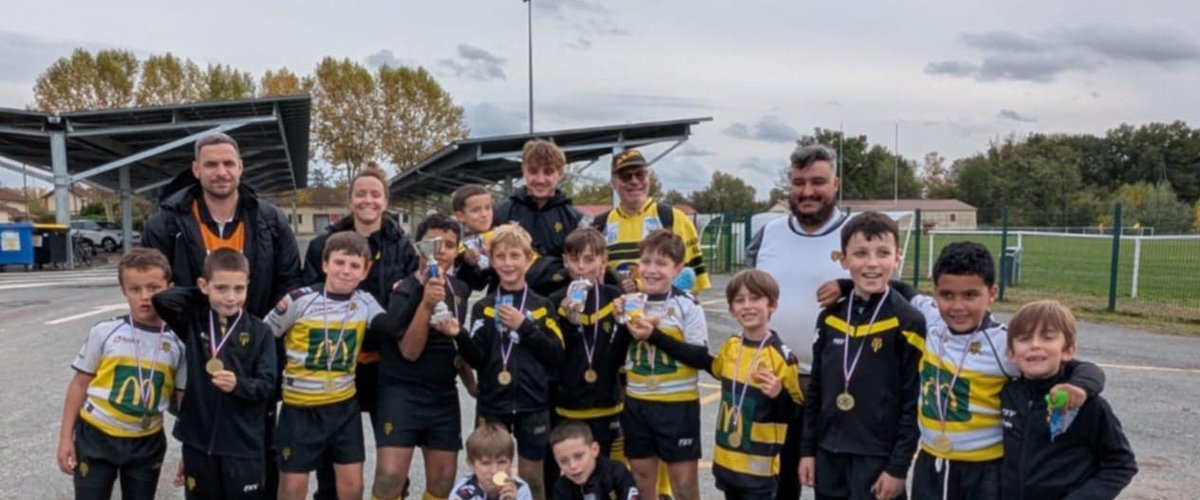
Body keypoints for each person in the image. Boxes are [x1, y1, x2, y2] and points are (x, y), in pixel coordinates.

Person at [817, 241, 1108, 500]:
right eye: (947, 295)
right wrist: (845, 286)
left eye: (970, 295)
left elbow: (1080, 368)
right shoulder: (927, 317)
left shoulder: (1003, 344)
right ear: (935, 294)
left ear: (991, 293)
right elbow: (895, 287)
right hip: (930, 463)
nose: (957, 306)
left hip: (983, 471)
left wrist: (1080, 387)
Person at [143, 132, 301, 496]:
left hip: (256, 344)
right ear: (196, 169)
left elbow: (290, 282)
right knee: (203, 439)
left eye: (228, 163)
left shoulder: (269, 220)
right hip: (197, 345)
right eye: (211, 164)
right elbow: (156, 286)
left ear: (241, 168)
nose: (221, 172)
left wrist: (261, 332)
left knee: (261, 447)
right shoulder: (166, 223)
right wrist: (203, 311)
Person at [301, 164, 420, 500]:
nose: (368, 200)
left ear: (386, 200)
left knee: (392, 454)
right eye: (361, 194)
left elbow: (414, 301)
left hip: (388, 364)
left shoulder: (403, 247)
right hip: (339, 361)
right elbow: (309, 294)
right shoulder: (323, 244)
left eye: (375, 194)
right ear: (351, 199)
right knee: (332, 453)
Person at [632, 268, 802, 499]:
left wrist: (778, 394)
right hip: (728, 465)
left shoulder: (782, 357)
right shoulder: (731, 347)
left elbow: (794, 413)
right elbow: (711, 365)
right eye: (739, 300)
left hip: (758, 469)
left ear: (772, 305)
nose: (747, 306)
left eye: (755, 298)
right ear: (731, 310)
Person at [743, 144, 850, 500]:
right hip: (775, 377)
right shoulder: (769, 233)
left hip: (837, 381)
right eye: (798, 182)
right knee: (778, 481)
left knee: (833, 482)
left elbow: (886, 291)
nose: (807, 192)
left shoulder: (859, 232)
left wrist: (847, 285)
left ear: (836, 183)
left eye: (818, 181)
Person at [798, 212, 925, 500]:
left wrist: (898, 468)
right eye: (860, 253)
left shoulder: (909, 321)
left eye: (883, 253)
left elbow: (912, 402)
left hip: (878, 458)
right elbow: (816, 389)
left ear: (897, 258)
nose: (871, 263)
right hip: (829, 454)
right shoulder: (830, 318)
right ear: (844, 260)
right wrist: (808, 450)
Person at [265, 232, 394, 500]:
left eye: (355, 265)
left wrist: (407, 290)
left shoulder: (365, 302)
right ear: (325, 264)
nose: (346, 271)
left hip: (343, 409)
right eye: (340, 262)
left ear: (365, 271)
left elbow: (389, 328)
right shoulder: (297, 300)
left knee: (352, 487)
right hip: (299, 409)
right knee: (292, 488)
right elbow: (262, 338)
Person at [57, 248, 186, 500]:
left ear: (169, 288)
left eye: (154, 288)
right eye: (135, 289)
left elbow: (184, 404)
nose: (145, 297)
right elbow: (79, 385)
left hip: (146, 442)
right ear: (123, 290)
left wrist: (189, 451)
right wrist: (65, 438)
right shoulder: (104, 331)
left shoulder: (179, 343)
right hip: (96, 437)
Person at [152, 249, 278, 499]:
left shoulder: (260, 331)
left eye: (239, 289)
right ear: (203, 285)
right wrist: (204, 296)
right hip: (199, 443)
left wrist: (239, 386)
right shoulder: (194, 321)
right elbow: (162, 300)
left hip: (242, 445)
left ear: (247, 287)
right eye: (222, 288)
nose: (231, 298)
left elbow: (268, 385)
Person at [454, 224, 564, 500]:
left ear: (528, 260)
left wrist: (524, 326)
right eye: (501, 257)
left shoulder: (542, 306)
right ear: (491, 261)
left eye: (515, 256)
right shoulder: (485, 306)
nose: (508, 263)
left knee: (531, 479)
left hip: (532, 402)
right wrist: (460, 336)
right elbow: (477, 358)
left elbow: (556, 354)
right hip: (493, 402)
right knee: (491, 478)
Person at [373, 215, 472, 500]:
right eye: (434, 243)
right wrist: (427, 304)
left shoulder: (460, 290)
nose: (441, 251)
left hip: (442, 395)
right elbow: (409, 351)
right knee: (390, 477)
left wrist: (471, 384)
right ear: (419, 246)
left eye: (450, 245)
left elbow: (457, 343)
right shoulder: (402, 288)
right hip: (401, 392)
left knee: (442, 482)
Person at [1000, 300, 1137, 499]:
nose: (1035, 345)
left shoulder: (1089, 404)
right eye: (1024, 338)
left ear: (1068, 351)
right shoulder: (1007, 395)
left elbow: (1121, 463)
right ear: (1010, 353)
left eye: (1047, 337)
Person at [618, 229, 708, 500]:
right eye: (646, 262)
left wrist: (655, 336)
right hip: (638, 404)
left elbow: (700, 358)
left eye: (661, 263)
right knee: (643, 482)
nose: (651, 270)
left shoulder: (687, 305)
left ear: (678, 268)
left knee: (683, 486)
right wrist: (620, 324)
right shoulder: (630, 304)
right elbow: (617, 357)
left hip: (677, 406)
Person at [545, 227, 628, 483]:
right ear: (565, 261)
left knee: (613, 475)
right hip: (569, 407)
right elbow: (555, 358)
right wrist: (568, 322)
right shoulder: (552, 302)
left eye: (589, 259)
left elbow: (620, 356)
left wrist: (623, 325)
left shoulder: (616, 299)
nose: (581, 267)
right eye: (574, 259)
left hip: (609, 404)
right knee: (573, 475)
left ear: (603, 261)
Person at [592, 149, 710, 294]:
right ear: (614, 183)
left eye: (640, 174)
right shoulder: (599, 225)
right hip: (615, 312)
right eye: (626, 176)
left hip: (664, 313)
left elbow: (693, 282)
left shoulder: (673, 218)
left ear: (649, 177)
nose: (634, 181)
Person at [493, 138, 581, 296]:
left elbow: (580, 269)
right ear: (523, 171)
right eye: (533, 171)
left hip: (556, 304)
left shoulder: (574, 219)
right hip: (508, 303)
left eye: (548, 172)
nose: (540, 180)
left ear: (560, 173)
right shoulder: (501, 213)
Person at [549, 420, 639, 500]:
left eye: (578, 456)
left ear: (594, 449)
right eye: (563, 461)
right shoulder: (561, 488)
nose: (573, 465)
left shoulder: (617, 474)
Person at [451, 425, 534, 500]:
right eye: (486, 463)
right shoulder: (462, 495)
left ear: (511, 461)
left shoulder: (520, 488)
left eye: (502, 462)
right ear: (471, 465)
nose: (494, 470)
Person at [452, 184, 496, 292]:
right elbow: (475, 286)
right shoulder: (462, 248)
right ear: (460, 216)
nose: (484, 214)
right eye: (476, 210)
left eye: (488, 208)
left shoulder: (506, 234)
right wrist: (469, 265)